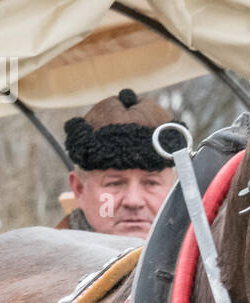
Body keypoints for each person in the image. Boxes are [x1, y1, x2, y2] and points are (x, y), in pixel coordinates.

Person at [60, 88, 178, 238]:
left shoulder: (210, 256)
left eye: (151, 183)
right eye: (114, 183)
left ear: (177, 188)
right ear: (79, 188)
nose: (133, 201)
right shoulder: (39, 260)